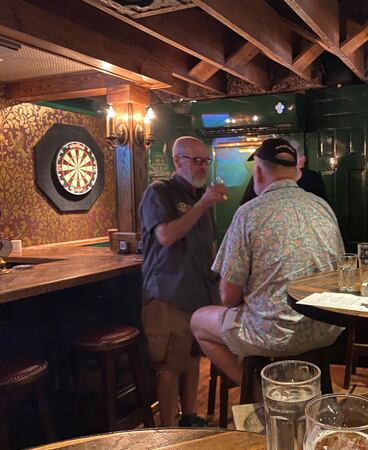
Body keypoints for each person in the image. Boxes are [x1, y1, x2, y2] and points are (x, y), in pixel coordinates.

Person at [190, 138, 343, 386]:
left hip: (273, 336)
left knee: (198, 320)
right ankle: (280, 385)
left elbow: (228, 297)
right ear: (296, 172)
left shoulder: (248, 213)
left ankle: (261, 390)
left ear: (258, 172)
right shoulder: (322, 206)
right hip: (325, 327)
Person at [139, 136, 227, 427]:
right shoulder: (159, 192)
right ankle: (166, 431)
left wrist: (219, 281)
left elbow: (208, 245)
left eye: (206, 160)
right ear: (177, 161)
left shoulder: (199, 196)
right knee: (169, 366)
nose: (203, 166)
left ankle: (189, 418)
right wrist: (203, 204)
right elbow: (166, 236)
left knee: (192, 359)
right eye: (196, 160)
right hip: (168, 293)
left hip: (199, 292)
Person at [239, 138, 327, 205]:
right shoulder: (322, 207)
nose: (282, 166)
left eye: (288, 161)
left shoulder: (312, 179)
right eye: (278, 161)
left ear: (301, 161)